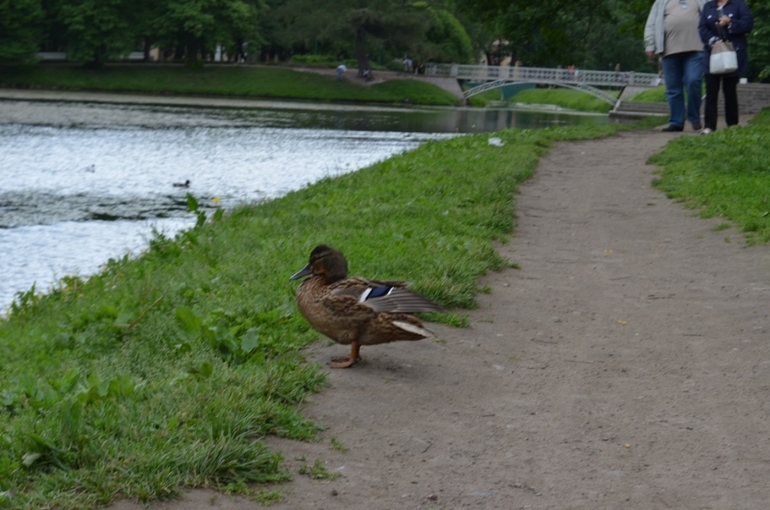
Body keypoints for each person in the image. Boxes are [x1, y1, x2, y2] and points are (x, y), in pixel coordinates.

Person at [645, 0, 707, 132]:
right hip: (669, 51)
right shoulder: (661, 2)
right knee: (673, 89)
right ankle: (676, 122)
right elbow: (651, 24)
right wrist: (650, 45)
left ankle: (694, 117)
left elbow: (710, 16)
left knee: (693, 81)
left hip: (696, 49)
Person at [698, 0, 753, 134]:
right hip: (713, 54)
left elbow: (748, 24)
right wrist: (712, 40)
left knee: (730, 91)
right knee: (711, 91)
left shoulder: (738, 5)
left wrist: (730, 23)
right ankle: (709, 126)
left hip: (732, 54)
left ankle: (732, 125)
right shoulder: (708, 6)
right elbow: (702, 28)